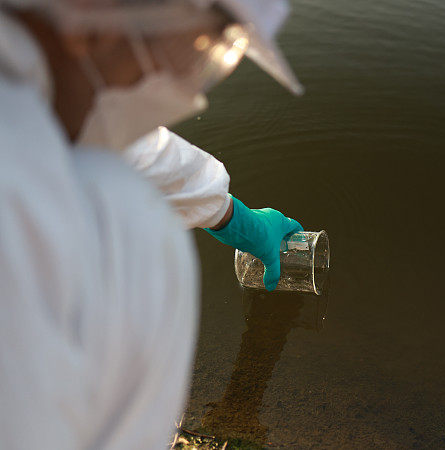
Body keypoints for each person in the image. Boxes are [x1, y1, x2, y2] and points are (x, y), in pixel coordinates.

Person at [0, 0, 303, 447]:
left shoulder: (29, 91)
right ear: (94, 16)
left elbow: (127, 146)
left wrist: (231, 216)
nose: (190, 88)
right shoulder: (71, 214)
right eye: (207, 49)